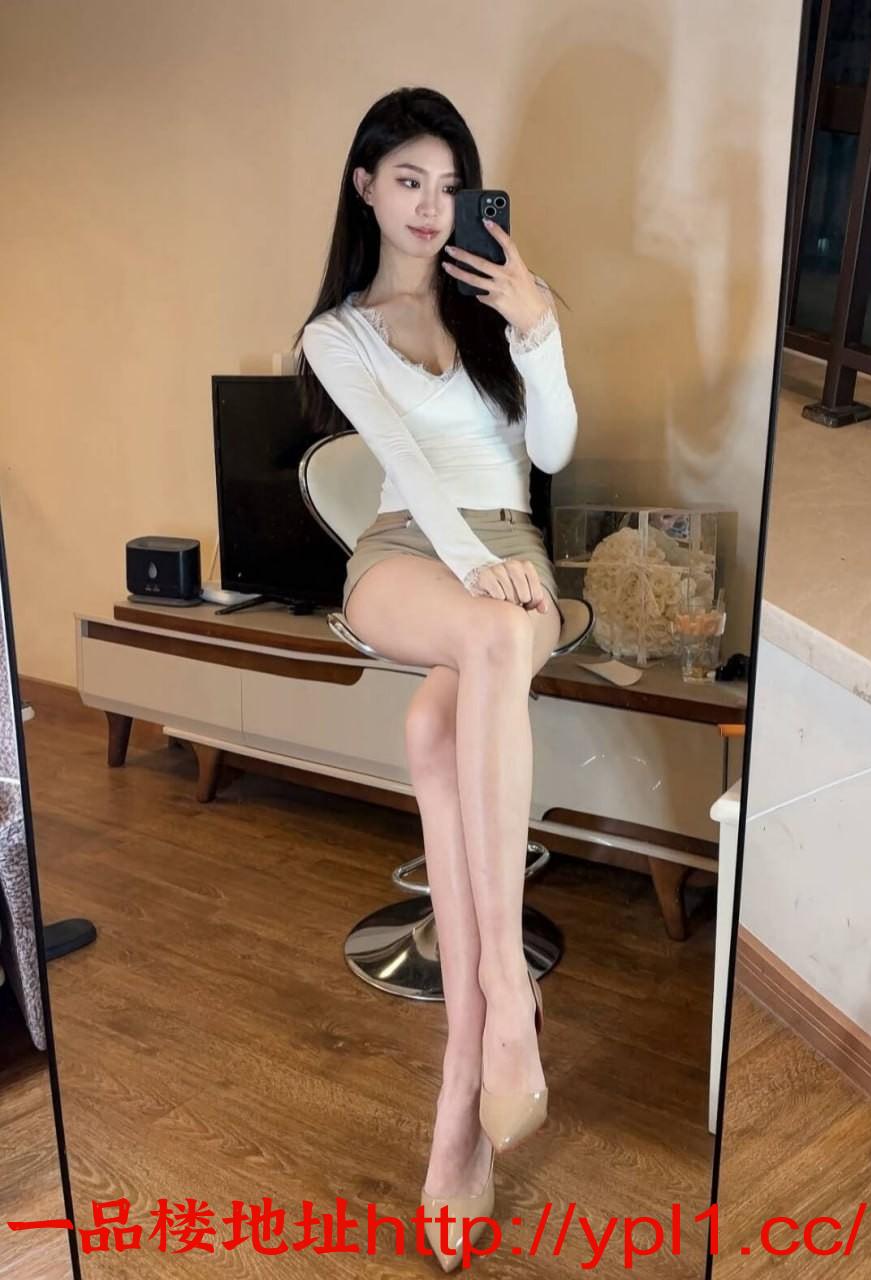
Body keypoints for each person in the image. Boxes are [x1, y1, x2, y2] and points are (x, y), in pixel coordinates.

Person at [294, 86, 578, 1271]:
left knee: (432, 732)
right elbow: (405, 464)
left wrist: (538, 327)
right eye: (408, 179)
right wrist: (472, 574)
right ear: (365, 187)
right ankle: (508, 998)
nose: (429, 204)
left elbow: (550, 450)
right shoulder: (337, 334)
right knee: (492, 639)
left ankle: (464, 1075)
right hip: (407, 552)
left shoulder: (495, 306)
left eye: (450, 184)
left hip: (510, 545)